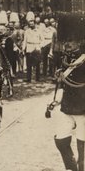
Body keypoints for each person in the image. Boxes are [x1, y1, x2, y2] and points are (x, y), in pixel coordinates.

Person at [47, 14, 85, 171]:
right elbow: (66, 81)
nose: (66, 44)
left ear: (80, 41)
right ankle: (73, 168)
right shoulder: (66, 58)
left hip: (83, 107)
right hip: (67, 105)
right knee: (61, 141)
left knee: (82, 147)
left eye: (69, 41)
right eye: (64, 40)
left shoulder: (82, 59)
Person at [23, 11, 43, 82]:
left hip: (36, 47)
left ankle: (37, 78)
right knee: (29, 64)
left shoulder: (38, 31)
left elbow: (42, 40)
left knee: (37, 64)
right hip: (29, 48)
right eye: (30, 22)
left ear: (34, 23)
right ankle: (29, 78)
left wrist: (39, 47)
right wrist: (23, 49)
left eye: (32, 22)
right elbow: (24, 41)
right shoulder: (27, 31)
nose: (31, 23)